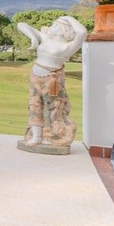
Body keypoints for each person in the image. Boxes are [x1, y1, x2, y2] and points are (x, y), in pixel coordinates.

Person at [16, 15, 87, 147]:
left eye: (54, 25)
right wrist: (33, 37)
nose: (50, 27)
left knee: (53, 109)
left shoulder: (68, 46)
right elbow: (21, 24)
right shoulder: (46, 38)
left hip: (52, 80)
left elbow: (82, 32)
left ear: (62, 30)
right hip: (35, 76)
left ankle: (51, 136)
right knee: (34, 105)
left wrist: (68, 17)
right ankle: (36, 137)